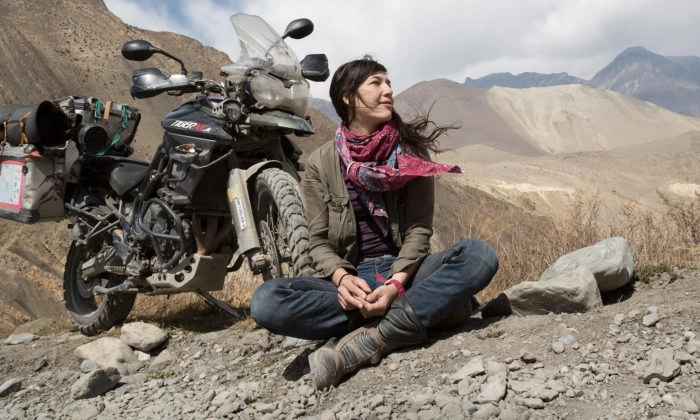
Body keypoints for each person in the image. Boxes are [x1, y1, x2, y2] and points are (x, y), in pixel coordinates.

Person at [250, 56, 499, 390]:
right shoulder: (322, 162)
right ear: (348, 97)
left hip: (406, 272)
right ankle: (420, 311)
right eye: (376, 83)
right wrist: (342, 280)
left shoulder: (410, 152)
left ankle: (374, 338)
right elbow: (318, 242)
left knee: (479, 255)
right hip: (353, 278)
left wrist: (395, 285)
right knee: (266, 300)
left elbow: (419, 231)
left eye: (389, 83)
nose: (388, 91)